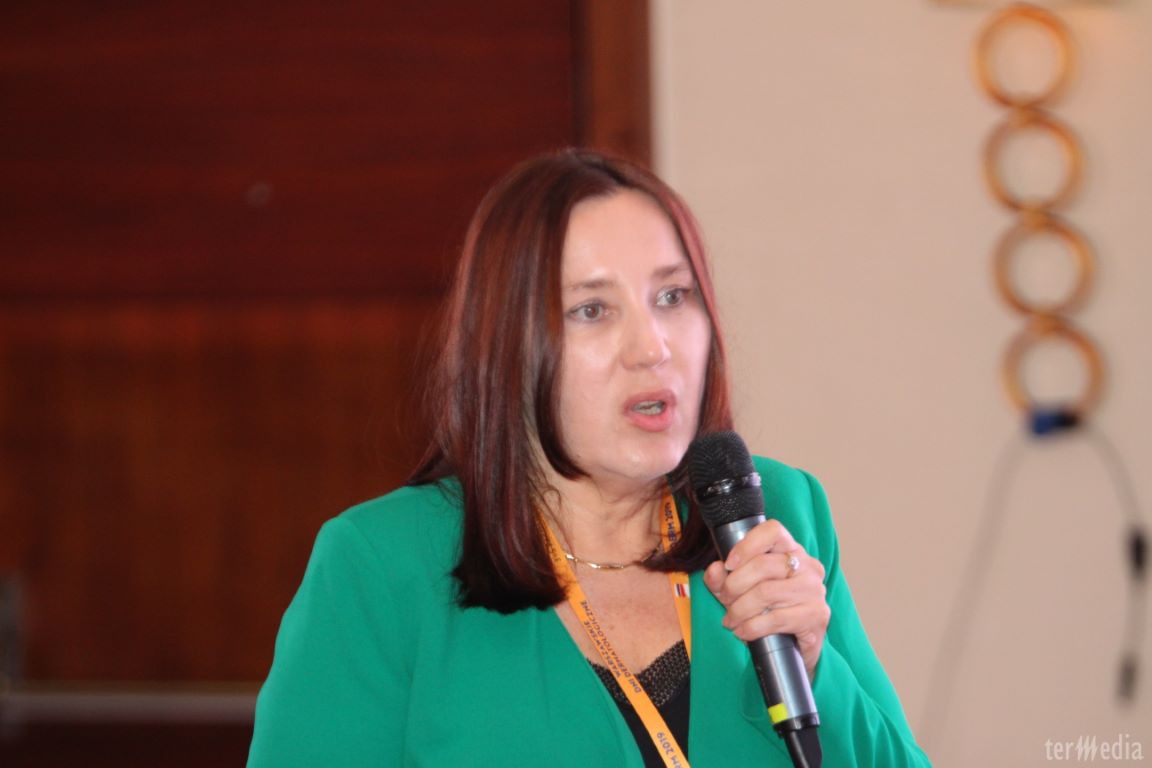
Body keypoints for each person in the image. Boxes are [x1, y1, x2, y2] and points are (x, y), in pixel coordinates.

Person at [247, 149, 931, 767]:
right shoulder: (380, 565)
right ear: (507, 347)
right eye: (592, 310)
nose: (652, 347)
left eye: (672, 296)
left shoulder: (776, 515)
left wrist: (814, 667)